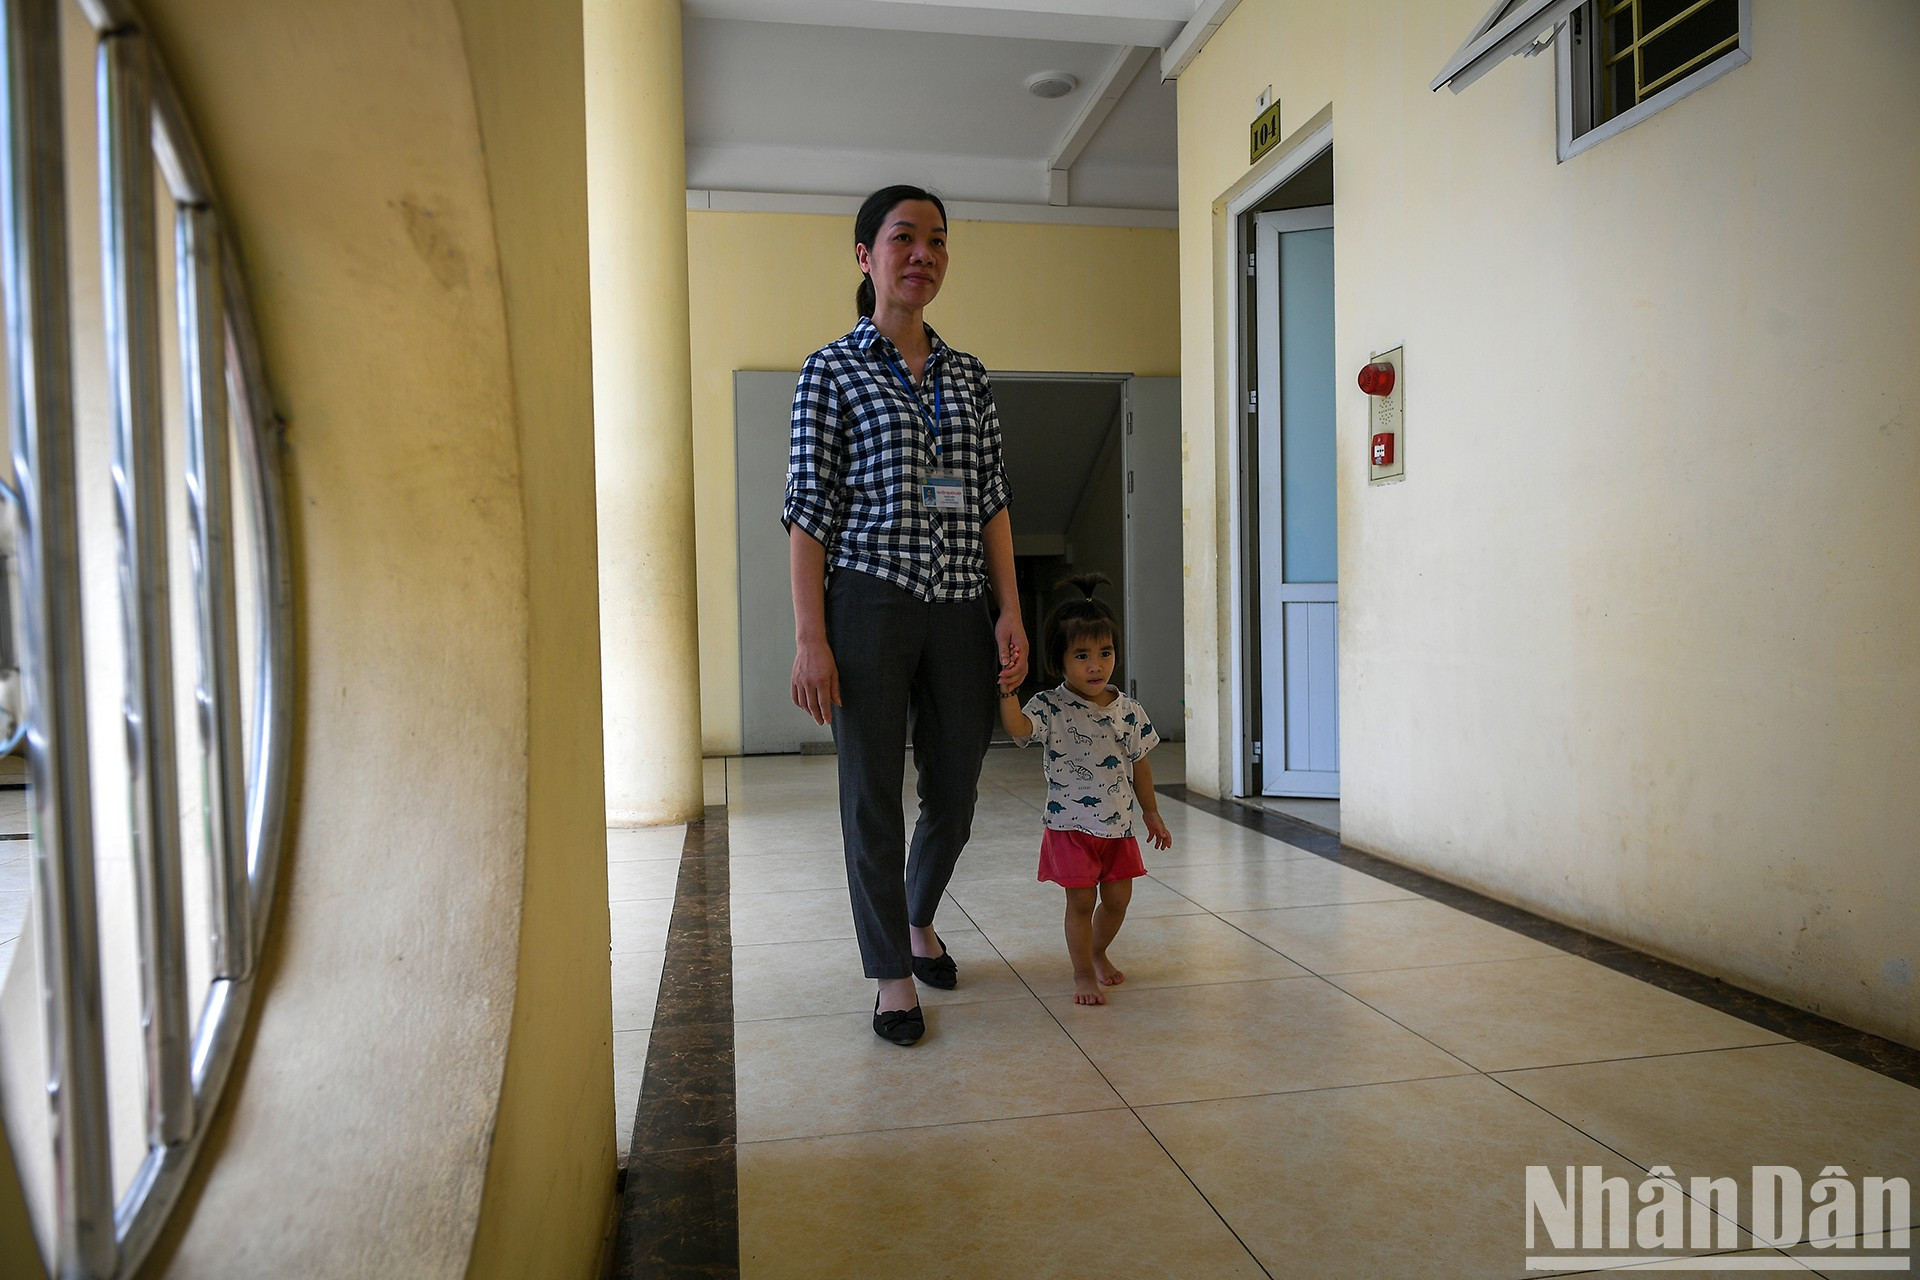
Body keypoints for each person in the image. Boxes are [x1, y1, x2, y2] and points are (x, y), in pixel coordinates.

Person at [785, 184, 1027, 1047]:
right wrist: (812, 638)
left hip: (961, 603)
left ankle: (918, 911)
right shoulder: (831, 370)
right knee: (870, 797)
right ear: (865, 256)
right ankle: (892, 970)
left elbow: (992, 498)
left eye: (937, 240)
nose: (923, 253)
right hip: (869, 603)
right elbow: (809, 512)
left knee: (956, 791)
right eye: (903, 238)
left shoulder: (967, 375)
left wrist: (1010, 609)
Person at [998, 574, 1171, 1006]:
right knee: (1080, 903)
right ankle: (1081, 974)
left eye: (1105, 653)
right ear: (1060, 661)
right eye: (1082, 655)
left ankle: (1097, 951)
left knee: (1117, 900)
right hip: (1071, 825)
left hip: (1118, 826)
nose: (1096, 665)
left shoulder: (1128, 711)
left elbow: (1140, 765)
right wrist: (1008, 691)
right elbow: (1019, 728)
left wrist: (1151, 813)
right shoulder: (1050, 707)